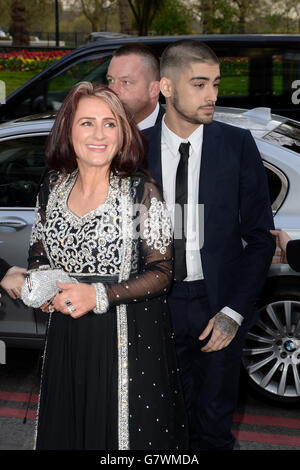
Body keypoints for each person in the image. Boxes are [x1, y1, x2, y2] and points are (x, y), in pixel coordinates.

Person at [28, 81, 187, 450]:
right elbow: (39, 259)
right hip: (67, 341)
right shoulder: (51, 187)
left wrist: (98, 294)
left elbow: (162, 273)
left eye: (110, 123)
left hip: (126, 342)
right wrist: (38, 287)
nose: (99, 134)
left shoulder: (140, 191)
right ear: (68, 129)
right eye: (87, 123)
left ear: (123, 133)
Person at [143, 39, 276, 451]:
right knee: (156, 428)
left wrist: (233, 313)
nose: (213, 95)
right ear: (166, 87)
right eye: (199, 84)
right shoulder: (133, 149)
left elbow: (260, 240)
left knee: (213, 431)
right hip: (151, 305)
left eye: (216, 83)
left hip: (216, 304)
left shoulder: (236, 146)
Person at [106, 43, 165, 129]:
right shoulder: (102, 128)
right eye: (111, 80)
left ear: (153, 89)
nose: (113, 91)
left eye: (125, 82)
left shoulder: (177, 134)